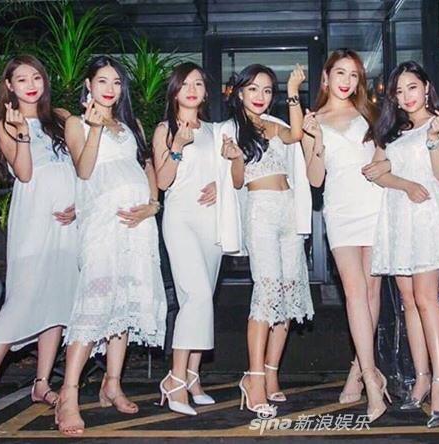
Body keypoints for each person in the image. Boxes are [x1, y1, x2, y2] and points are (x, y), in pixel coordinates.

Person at [56, 56, 167, 435]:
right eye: (102, 81)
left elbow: (147, 168)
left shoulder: (131, 124)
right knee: (96, 300)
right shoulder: (76, 123)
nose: (110, 88)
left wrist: (152, 205)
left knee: (125, 302)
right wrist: (95, 129)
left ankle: (112, 384)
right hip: (103, 225)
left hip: (139, 226)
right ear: (88, 85)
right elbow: (84, 170)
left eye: (117, 82)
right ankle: (68, 395)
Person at [0, 55, 78, 428]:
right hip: (33, 220)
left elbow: (83, 168)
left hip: (69, 223)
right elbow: (25, 174)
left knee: (59, 300)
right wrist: (23, 134)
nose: (31, 84)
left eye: (37, 77)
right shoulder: (7, 123)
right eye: (22, 79)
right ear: (9, 86)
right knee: (22, 298)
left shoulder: (61, 118)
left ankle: (41, 384)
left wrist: (79, 205)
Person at [218, 64, 312, 417]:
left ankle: (272, 374)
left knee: (287, 293)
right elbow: (237, 182)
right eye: (254, 89)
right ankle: (254, 378)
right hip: (260, 211)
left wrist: (293, 91)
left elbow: (297, 134)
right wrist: (236, 158)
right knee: (267, 291)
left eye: (268, 90)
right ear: (240, 92)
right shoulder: (230, 130)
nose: (260, 96)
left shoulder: (276, 124)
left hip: (289, 210)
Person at [371, 61, 439, 427]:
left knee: (426, 297)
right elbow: (376, 173)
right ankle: (421, 377)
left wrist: (434, 140)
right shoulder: (391, 131)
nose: (406, 96)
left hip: (426, 215)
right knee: (408, 301)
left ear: (426, 88)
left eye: (412, 87)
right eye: (399, 91)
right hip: (398, 215)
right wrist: (403, 183)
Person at [300, 49, 386, 417]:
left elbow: (385, 158)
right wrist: (316, 142)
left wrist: (382, 164)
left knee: (371, 291)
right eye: (340, 73)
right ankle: (371, 377)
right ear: (326, 77)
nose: (347, 81)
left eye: (353, 75)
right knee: (354, 292)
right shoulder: (313, 120)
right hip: (340, 210)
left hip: (375, 204)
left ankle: (359, 370)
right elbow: (314, 178)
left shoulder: (371, 115)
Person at [153, 62, 234, 415]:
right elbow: (163, 181)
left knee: (202, 300)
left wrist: (220, 184)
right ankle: (174, 380)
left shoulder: (216, 131)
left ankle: (192, 377)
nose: (191, 89)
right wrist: (177, 146)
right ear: (174, 90)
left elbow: (232, 173)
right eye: (185, 83)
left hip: (211, 223)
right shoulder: (165, 129)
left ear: (205, 92)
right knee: (196, 295)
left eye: (198, 83)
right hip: (181, 218)